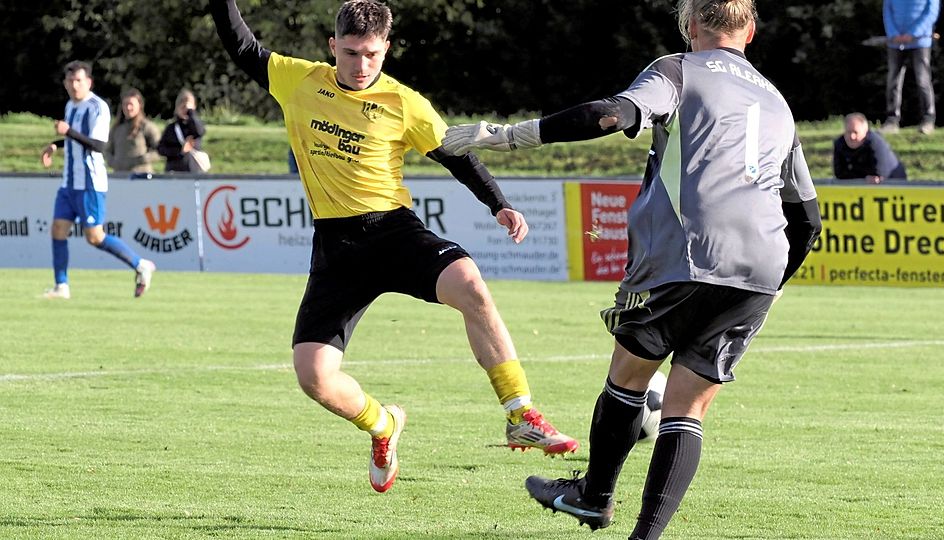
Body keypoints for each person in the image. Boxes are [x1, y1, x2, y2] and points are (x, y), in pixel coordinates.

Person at [443, 0, 822, 538]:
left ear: (690, 26)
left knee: (627, 378)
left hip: (686, 253)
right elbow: (806, 221)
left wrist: (505, 136)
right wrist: (772, 287)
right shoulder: (777, 102)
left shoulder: (678, 70)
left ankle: (594, 497)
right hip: (760, 268)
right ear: (752, 31)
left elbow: (611, 115)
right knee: (687, 406)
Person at [210, 0, 578, 494]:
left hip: (393, 231)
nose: (361, 66)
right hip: (336, 248)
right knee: (313, 376)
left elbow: (456, 155)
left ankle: (520, 413)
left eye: (372, 55)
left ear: (386, 49)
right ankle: (382, 425)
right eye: (351, 53)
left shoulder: (404, 102)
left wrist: (499, 203)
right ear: (331, 47)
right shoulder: (298, 81)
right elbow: (241, 44)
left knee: (470, 283)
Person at [39, 61, 157, 299]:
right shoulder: (71, 106)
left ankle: (140, 264)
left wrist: (67, 132)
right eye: (70, 81)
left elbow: (98, 145)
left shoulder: (98, 107)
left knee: (95, 237)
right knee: (58, 230)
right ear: (65, 83)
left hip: (90, 183)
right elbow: (75, 139)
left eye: (79, 81)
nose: (74, 85)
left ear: (89, 82)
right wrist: (56, 144)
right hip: (70, 182)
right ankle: (61, 286)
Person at [880, 0, 940, 135]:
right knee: (893, 81)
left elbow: (931, 12)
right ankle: (892, 120)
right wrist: (893, 34)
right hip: (895, 42)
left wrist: (913, 34)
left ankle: (928, 120)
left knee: (923, 81)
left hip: (920, 41)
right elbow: (887, 10)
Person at [833, 112, 907, 183]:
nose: (852, 137)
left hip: (894, 182)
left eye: (856, 132)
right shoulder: (839, 144)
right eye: (849, 132)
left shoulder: (875, 143)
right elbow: (840, 175)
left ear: (865, 131)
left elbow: (879, 175)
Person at [104, 88, 162, 174]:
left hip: (142, 177)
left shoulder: (147, 127)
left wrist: (144, 159)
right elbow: (107, 151)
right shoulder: (116, 129)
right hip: (120, 176)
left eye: (131, 104)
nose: (128, 107)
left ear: (139, 105)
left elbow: (160, 150)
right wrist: (113, 162)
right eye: (125, 104)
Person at [158, 89, 208, 172]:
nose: (185, 110)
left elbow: (200, 132)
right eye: (182, 107)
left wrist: (191, 113)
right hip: (175, 170)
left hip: (194, 171)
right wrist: (179, 151)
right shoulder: (171, 128)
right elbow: (161, 149)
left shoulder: (196, 126)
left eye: (187, 108)